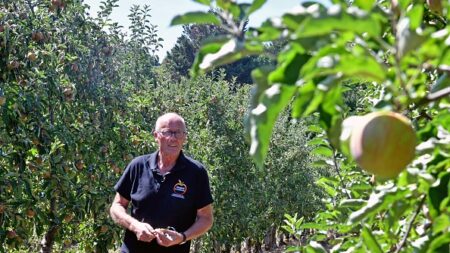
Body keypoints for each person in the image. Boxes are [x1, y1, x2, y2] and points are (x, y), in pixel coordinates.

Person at [110, 113, 214, 253]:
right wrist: (135, 225)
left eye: (178, 132)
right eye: (167, 132)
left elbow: (206, 218)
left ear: (184, 137)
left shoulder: (196, 172)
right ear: (156, 136)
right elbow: (116, 206)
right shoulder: (138, 166)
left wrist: (182, 237)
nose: (173, 138)